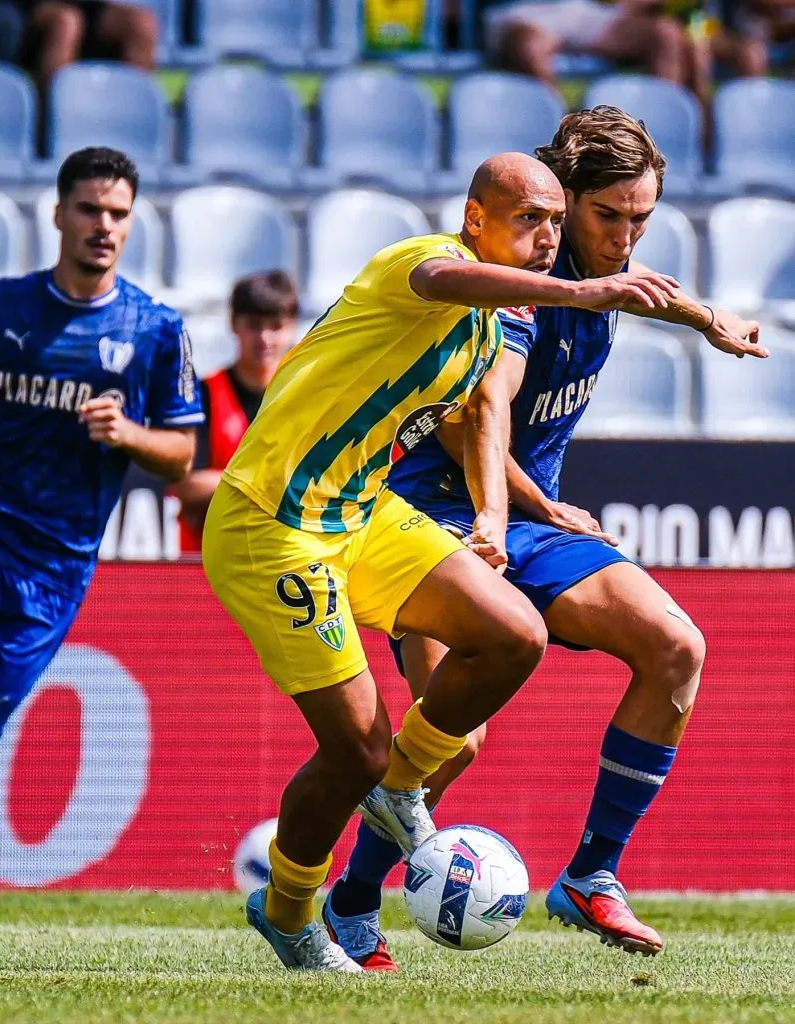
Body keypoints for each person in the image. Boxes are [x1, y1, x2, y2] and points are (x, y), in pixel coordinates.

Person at [201, 150, 679, 972]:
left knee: (511, 635)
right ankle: (288, 911)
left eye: (554, 223)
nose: (544, 237)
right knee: (353, 745)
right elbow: (452, 285)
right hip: (270, 524)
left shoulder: (488, 333)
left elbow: (481, 420)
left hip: (361, 514)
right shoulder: (422, 263)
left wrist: (503, 512)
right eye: (527, 218)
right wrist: (577, 289)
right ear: (474, 219)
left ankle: (399, 794)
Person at [325, 107, 768, 970]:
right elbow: (472, 420)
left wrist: (709, 318)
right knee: (455, 735)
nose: (626, 238)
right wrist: (527, 507)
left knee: (676, 645)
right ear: (563, 204)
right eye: (609, 217)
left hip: (526, 524)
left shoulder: (607, 272)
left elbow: (645, 287)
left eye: (641, 218)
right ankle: (347, 901)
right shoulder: (517, 291)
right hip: (436, 527)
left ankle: (591, 877)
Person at [0, 146, 202, 749]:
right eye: (90, 209)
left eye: (119, 213)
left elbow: (181, 455)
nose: (104, 225)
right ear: (57, 215)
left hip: (55, 562)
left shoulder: (156, 329)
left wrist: (127, 433)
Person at [175, 271, 299, 554]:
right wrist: (266, 483)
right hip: (205, 558)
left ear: (291, 327)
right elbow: (187, 485)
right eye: (254, 325)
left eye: (276, 326)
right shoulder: (204, 394)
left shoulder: (302, 396)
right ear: (234, 324)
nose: (265, 338)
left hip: (278, 558)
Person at [482, 0, 688, 88]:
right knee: (531, 47)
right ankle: (563, 134)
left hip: (585, 11)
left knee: (666, 33)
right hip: (520, 12)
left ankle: (658, 142)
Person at [22, 0, 158, 87]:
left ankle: (127, 121)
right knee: (66, 23)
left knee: (141, 24)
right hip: (26, 8)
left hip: (84, 6)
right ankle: (55, 121)